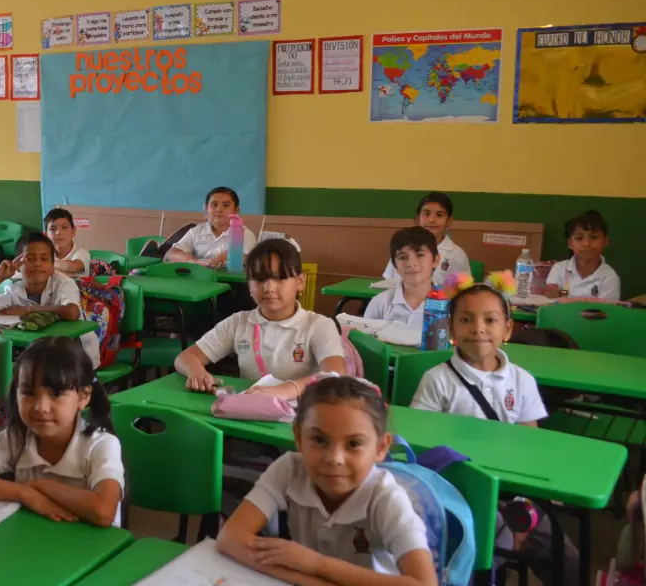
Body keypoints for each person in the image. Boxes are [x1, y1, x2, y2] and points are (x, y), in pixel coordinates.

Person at [410, 283, 579, 584]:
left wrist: (521, 517)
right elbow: (423, 451)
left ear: (508, 329)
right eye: (466, 319)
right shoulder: (437, 380)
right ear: (451, 327)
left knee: (567, 560)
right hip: (457, 494)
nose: (478, 329)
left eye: (490, 320)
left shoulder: (521, 380)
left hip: (513, 495)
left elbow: (530, 451)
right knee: (472, 563)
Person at [216, 376, 437, 585]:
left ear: (381, 448)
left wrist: (316, 564)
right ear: (299, 438)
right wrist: (311, 580)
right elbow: (231, 538)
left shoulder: (386, 498)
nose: (334, 459)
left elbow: (424, 583)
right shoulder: (290, 469)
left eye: (354, 444)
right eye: (319, 440)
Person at [0, 337, 123, 527]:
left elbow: (104, 512)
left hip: (94, 548)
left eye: (56, 394)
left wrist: (43, 486)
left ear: (83, 397)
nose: (41, 407)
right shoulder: (17, 437)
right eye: (29, 393)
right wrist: (23, 493)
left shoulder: (100, 444)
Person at [176, 239, 346, 398]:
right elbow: (185, 357)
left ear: (300, 282)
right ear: (248, 284)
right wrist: (196, 370)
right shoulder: (238, 322)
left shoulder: (318, 325)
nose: (269, 288)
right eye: (259, 279)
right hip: (252, 412)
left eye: (280, 278)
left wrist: (287, 390)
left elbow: (335, 376)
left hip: (300, 416)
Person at [0, 232, 100, 370]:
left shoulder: (64, 283)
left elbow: (72, 312)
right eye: (30, 258)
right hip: (39, 355)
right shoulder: (14, 290)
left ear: (53, 265)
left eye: (44, 259)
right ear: (17, 265)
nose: (37, 264)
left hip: (76, 355)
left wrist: (28, 310)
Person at [382, 192, 468, 285]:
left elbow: (463, 288)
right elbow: (388, 282)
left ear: (449, 221)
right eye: (426, 214)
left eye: (439, 215)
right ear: (418, 219)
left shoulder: (457, 254)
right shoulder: (402, 248)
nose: (431, 220)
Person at [165, 187, 258, 269]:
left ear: (236, 210)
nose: (219, 209)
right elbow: (172, 253)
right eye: (214, 205)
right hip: (200, 279)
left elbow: (253, 260)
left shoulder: (244, 234)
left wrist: (229, 256)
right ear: (206, 208)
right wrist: (191, 261)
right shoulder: (197, 231)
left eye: (226, 205)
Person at [365, 227, 439, 326]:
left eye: (420, 255)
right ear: (394, 265)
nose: (411, 264)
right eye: (403, 257)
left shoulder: (449, 303)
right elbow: (364, 338)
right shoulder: (380, 303)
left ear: (436, 260)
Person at [544, 209, 620, 301]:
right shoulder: (559, 268)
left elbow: (606, 311)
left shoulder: (609, 277)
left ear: (605, 241)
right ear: (570, 243)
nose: (586, 243)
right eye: (579, 238)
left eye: (594, 237)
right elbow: (549, 300)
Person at [43, 208, 90, 277]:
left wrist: (46, 265)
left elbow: (72, 267)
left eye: (64, 227)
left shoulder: (82, 253)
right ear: (46, 235)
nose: (58, 232)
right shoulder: (44, 254)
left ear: (73, 231)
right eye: (53, 229)